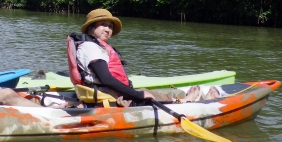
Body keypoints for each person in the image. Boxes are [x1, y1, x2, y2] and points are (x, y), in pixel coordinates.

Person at [68, 9, 219, 106]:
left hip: (112, 92)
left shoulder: (94, 45)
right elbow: (107, 79)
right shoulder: (90, 48)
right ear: (90, 27)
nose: (108, 29)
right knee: (148, 95)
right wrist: (138, 95)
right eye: (103, 25)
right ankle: (186, 101)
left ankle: (181, 97)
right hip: (112, 97)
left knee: (152, 92)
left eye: (110, 26)